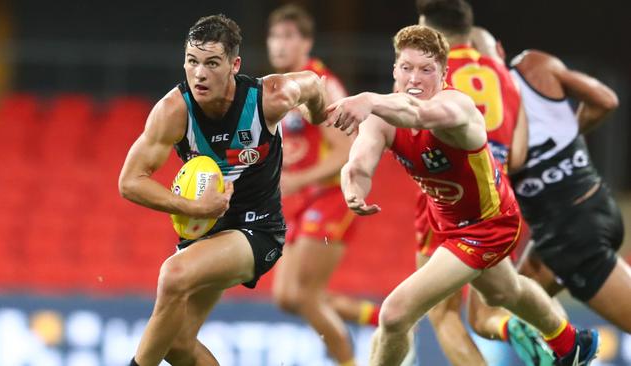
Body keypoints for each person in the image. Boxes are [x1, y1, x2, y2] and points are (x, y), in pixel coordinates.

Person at [325, 24, 599, 366]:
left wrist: (366, 99)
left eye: (426, 70)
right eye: (407, 67)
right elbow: (360, 163)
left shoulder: (457, 105)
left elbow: (418, 114)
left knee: (395, 315)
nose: (415, 78)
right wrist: (354, 187)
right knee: (505, 291)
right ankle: (571, 343)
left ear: (444, 73)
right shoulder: (380, 117)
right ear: (394, 69)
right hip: (446, 219)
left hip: (488, 225)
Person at [118, 14, 328, 366]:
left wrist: (318, 115)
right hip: (206, 230)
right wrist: (195, 207)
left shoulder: (269, 98)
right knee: (177, 343)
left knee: (173, 274)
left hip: (257, 228)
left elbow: (312, 83)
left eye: (212, 63)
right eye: (191, 61)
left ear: (235, 64)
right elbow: (129, 182)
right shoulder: (173, 111)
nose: (199, 74)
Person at [413, 2, 554, 365]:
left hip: (450, 199)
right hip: (500, 201)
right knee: (484, 316)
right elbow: (518, 155)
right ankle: (517, 328)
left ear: (435, 36)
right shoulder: (504, 76)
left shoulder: (433, 76)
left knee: (442, 314)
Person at [470, 21, 630, 338]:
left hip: (568, 234)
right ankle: (561, 348)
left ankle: (566, 347)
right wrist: (566, 136)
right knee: (502, 314)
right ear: (499, 50)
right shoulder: (535, 65)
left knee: (488, 316)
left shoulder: (475, 112)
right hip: (595, 207)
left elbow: (509, 163)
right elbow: (607, 101)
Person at [266, 5, 380, 365]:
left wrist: (298, 179)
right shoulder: (279, 87)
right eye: (275, 36)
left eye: (289, 37)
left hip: (332, 194)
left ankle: (348, 360)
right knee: (286, 297)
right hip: (304, 200)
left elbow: (346, 152)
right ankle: (377, 318)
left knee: (304, 295)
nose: (280, 45)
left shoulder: (322, 84)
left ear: (306, 43)